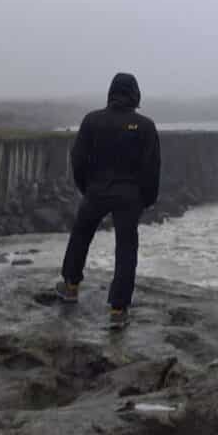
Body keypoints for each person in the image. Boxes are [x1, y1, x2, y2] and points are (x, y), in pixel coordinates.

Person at [60, 72, 160, 326]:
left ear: (111, 92)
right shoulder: (145, 126)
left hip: (97, 189)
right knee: (126, 249)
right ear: (135, 94)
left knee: (81, 235)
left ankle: (70, 286)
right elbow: (152, 168)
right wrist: (145, 199)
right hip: (129, 195)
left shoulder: (92, 120)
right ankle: (118, 310)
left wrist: (87, 188)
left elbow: (78, 159)